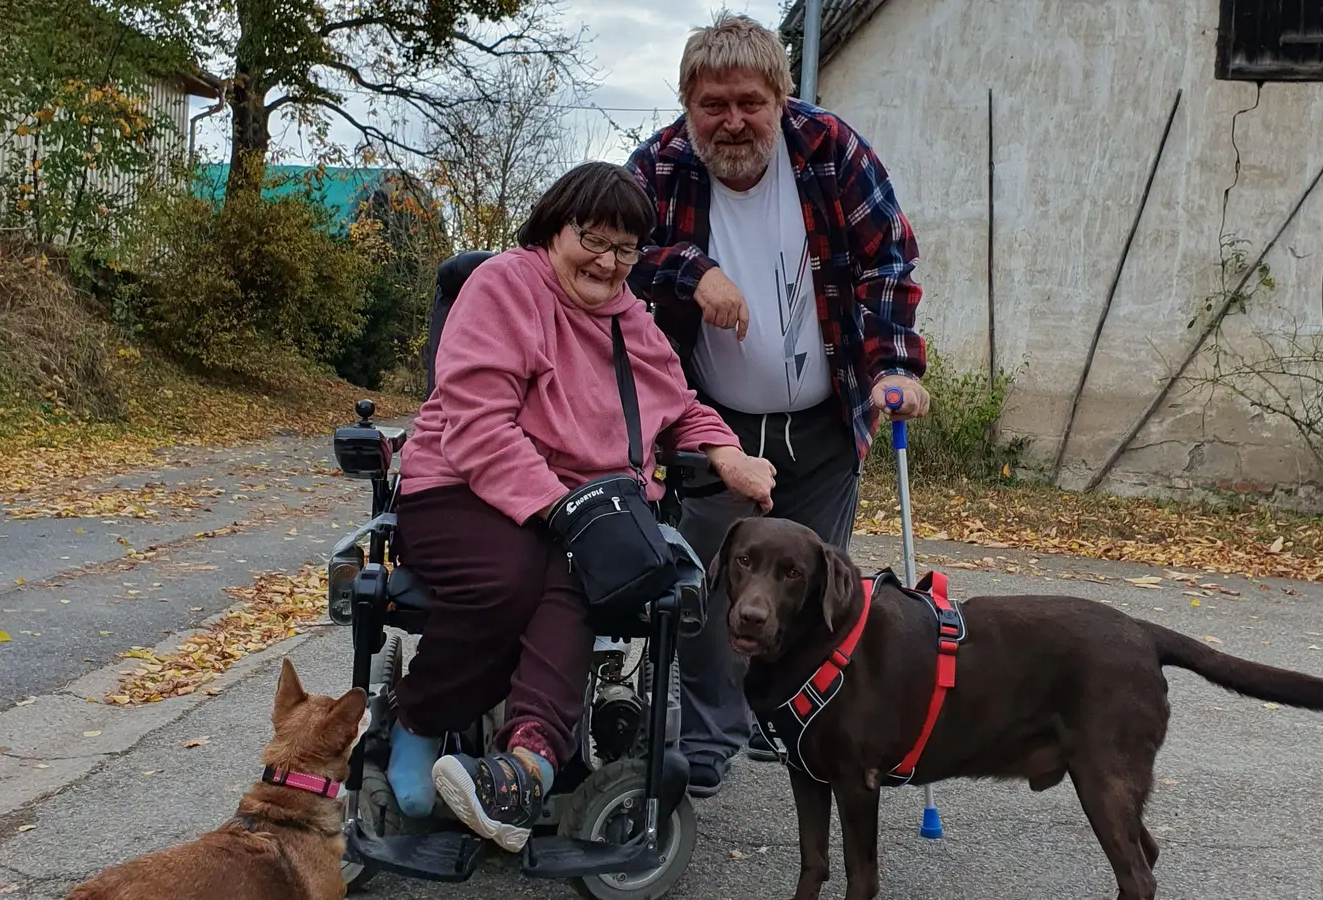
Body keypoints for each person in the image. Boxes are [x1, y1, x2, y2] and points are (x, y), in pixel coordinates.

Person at [385, 160, 777, 851]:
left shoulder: (631, 319)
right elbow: (478, 429)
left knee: (590, 579)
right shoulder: (504, 286)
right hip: (459, 486)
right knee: (512, 577)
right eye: (593, 239)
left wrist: (726, 453)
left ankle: (526, 767)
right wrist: (564, 513)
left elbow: (680, 405)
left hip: (580, 505)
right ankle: (419, 718)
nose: (608, 262)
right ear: (554, 228)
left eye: (626, 248)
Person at [624, 12, 932, 797]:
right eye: (713, 105)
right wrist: (691, 269)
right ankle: (708, 740)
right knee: (714, 585)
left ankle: (795, 720)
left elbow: (887, 261)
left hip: (824, 425)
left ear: (780, 99)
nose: (732, 121)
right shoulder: (659, 165)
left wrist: (894, 366)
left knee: (807, 591)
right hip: (714, 425)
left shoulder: (831, 150)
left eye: (749, 103)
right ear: (688, 105)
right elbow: (608, 250)